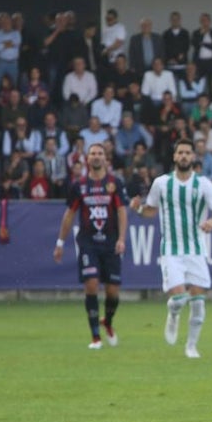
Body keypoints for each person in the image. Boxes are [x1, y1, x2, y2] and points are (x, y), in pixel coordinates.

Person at [129, 139, 212, 359]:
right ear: (174, 157)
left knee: (199, 306)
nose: (184, 156)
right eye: (180, 152)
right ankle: (173, 315)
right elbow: (151, 211)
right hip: (171, 250)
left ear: (193, 157)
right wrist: (137, 210)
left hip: (196, 249)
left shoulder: (204, 184)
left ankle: (191, 347)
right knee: (179, 299)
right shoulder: (162, 183)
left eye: (187, 153)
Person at [53, 143, 129, 348]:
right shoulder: (79, 186)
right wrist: (60, 242)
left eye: (100, 153)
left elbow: (122, 212)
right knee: (92, 284)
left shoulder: (115, 183)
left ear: (106, 158)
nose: (96, 156)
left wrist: (122, 239)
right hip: (88, 243)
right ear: (87, 158)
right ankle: (95, 337)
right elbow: (69, 215)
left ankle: (108, 322)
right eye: (93, 153)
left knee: (113, 291)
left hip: (111, 243)